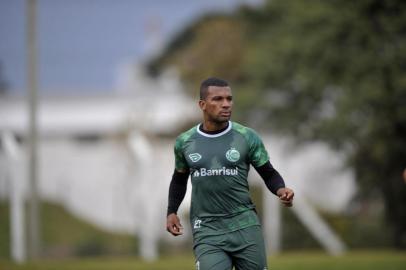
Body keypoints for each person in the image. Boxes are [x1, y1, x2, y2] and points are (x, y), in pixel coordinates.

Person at [166, 77, 294, 270]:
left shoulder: (246, 137)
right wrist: (171, 211)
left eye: (229, 99)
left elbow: (268, 173)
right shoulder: (185, 142)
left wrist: (281, 189)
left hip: (245, 225)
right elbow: (179, 179)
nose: (226, 104)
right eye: (218, 99)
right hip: (207, 228)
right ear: (202, 104)